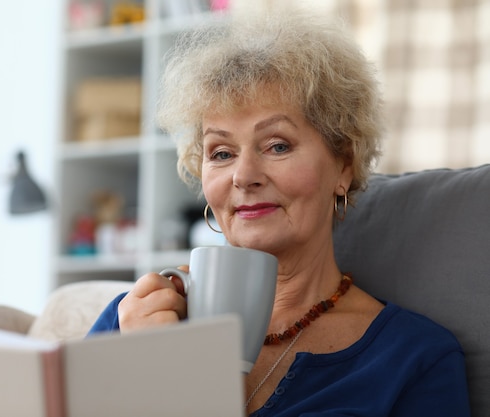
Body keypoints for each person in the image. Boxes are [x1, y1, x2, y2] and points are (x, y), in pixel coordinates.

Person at [87, 5, 470, 416]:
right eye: (221, 152)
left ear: (344, 164)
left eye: (277, 145)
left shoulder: (415, 360)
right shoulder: (134, 321)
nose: (243, 175)